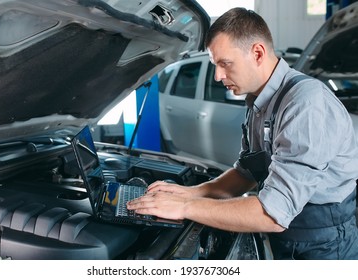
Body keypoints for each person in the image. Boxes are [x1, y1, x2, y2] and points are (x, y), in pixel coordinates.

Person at [127, 7, 358, 259]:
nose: (218, 76)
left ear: (257, 53)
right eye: (215, 65)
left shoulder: (305, 104)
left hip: (325, 245)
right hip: (290, 238)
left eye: (225, 64)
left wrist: (185, 207)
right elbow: (245, 173)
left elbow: (274, 214)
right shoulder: (260, 102)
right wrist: (191, 192)